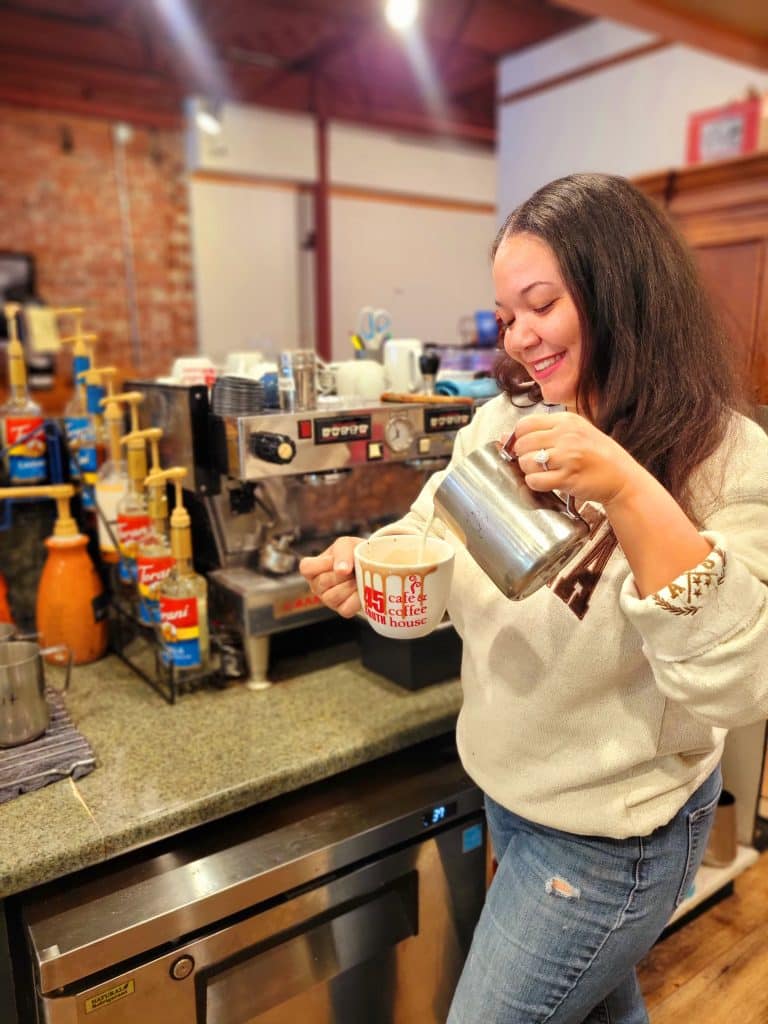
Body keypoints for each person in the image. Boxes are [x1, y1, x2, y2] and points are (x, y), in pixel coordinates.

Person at [299, 173, 768, 1023]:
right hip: (511, 793)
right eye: (507, 317)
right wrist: (374, 569)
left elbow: (735, 685)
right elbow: (434, 540)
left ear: (618, 291)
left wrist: (627, 486)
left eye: (539, 305)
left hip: (612, 837)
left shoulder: (727, 459)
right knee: (596, 1010)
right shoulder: (499, 425)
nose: (519, 341)